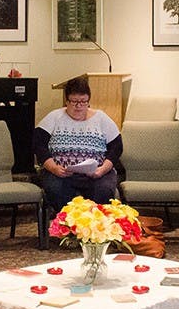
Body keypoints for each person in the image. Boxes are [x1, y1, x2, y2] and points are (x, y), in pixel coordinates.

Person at [33, 76, 122, 210]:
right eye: (74, 101)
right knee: (56, 190)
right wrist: (53, 168)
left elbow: (116, 147)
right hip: (60, 172)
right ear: (66, 101)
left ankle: (94, 227)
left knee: (103, 190)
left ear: (88, 100)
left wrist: (102, 170)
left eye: (83, 101)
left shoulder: (101, 118)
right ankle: (68, 227)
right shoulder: (54, 117)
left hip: (96, 172)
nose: (79, 106)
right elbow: (38, 145)